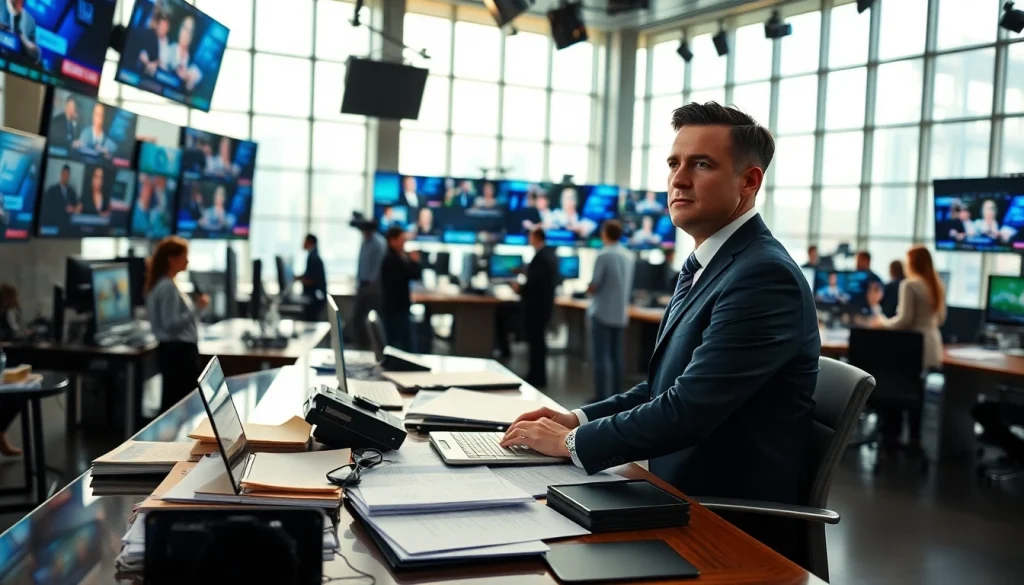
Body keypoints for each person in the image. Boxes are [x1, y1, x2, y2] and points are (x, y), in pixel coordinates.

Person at [500, 102, 819, 563]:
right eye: (674, 163)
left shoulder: (763, 276)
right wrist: (576, 421)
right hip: (674, 495)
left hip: (722, 525)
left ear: (749, 182)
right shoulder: (710, 266)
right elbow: (659, 388)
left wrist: (570, 444)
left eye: (701, 164)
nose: (678, 179)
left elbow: (687, 410)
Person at [865, 246, 946, 453]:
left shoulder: (910, 284)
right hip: (931, 345)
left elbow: (903, 321)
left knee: (899, 387)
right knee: (917, 390)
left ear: (913, 263)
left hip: (911, 345)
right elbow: (941, 319)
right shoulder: (936, 284)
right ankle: (915, 438)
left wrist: (881, 321)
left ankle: (893, 436)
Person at [145, 236, 210, 414]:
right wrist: (196, 308)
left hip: (176, 352)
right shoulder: (167, 287)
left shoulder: (167, 284)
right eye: (184, 256)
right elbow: (170, 324)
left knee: (176, 403)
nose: (187, 261)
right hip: (178, 353)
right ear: (171, 259)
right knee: (180, 406)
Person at [587, 220, 634, 401]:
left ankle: (600, 398)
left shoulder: (603, 255)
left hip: (601, 313)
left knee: (601, 357)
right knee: (616, 356)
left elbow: (594, 285)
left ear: (605, 234)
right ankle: (616, 397)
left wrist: (587, 290)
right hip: (620, 313)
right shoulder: (628, 255)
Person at [512, 227, 558, 388]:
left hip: (537, 308)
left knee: (537, 344)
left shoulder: (542, 257)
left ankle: (537, 377)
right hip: (542, 307)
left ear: (537, 237)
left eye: (530, 236)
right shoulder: (548, 255)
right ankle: (535, 375)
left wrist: (520, 288)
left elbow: (535, 283)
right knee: (537, 343)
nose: (529, 239)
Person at [379, 226, 422, 351]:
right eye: (402, 240)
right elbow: (414, 274)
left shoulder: (396, 257)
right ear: (392, 241)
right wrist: (415, 261)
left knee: (398, 341)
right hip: (396, 307)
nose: (404, 243)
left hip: (396, 307)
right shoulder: (393, 260)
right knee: (401, 343)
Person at [351, 218, 387, 348]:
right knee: (357, 318)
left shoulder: (379, 243)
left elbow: (379, 266)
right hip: (362, 284)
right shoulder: (365, 242)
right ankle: (362, 345)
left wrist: (372, 283)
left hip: (373, 287)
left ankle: (377, 346)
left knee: (375, 319)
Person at [164, 15, 202, 91]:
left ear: (192, 37)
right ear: (179, 29)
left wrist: (189, 80)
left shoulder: (194, 68)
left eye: (190, 32)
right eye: (185, 28)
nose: (186, 34)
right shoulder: (167, 50)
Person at [298, 234, 327, 321]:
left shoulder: (313, 257)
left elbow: (313, 279)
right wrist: (299, 278)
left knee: (310, 319)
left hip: (315, 297)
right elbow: (310, 274)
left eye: (305, 241)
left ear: (310, 242)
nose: (303, 243)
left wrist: (301, 280)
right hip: (316, 296)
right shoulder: (313, 255)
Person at [41, 164, 80, 229]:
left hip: (68, 225)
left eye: (67, 174)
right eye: (64, 174)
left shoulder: (72, 191)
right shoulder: (52, 190)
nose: (65, 176)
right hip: (54, 224)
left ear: (69, 176)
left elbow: (76, 205)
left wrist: (75, 209)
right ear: (61, 174)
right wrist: (64, 209)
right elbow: (47, 208)